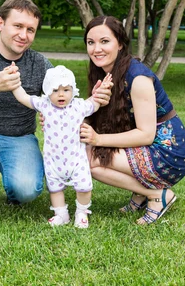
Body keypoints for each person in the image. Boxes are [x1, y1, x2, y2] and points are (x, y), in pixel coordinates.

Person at [0, 0, 111, 230]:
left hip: (18, 140)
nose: (24, 35)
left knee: (27, 190)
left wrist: (95, 100)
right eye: (18, 26)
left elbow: (65, 97)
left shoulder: (40, 64)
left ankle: (14, 189)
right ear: (1, 23)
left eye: (31, 29)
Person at [80, 16, 185, 225]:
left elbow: (146, 134)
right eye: (91, 42)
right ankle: (141, 194)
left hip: (167, 151)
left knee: (90, 160)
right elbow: (90, 121)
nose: (96, 49)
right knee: (86, 154)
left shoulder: (138, 78)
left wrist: (98, 139)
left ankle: (157, 195)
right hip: (147, 146)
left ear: (120, 44)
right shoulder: (106, 73)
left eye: (105, 41)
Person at [10, 64, 112, 228]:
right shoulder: (44, 105)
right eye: (55, 91)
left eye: (66, 90)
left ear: (73, 90)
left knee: (84, 187)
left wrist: (103, 88)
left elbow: (95, 102)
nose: (61, 94)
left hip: (76, 158)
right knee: (55, 189)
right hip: (53, 160)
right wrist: (14, 80)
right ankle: (61, 214)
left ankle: (82, 212)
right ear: (48, 92)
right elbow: (22, 97)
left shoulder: (79, 106)